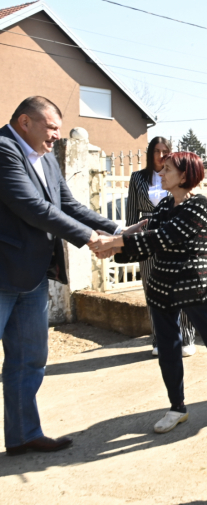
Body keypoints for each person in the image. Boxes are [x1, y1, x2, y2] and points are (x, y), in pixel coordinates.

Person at [93, 152, 207, 434]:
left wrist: (116, 240)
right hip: (160, 287)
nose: (160, 173)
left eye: (167, 169)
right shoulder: (166, 204)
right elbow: (148, 242)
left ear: (184, 176)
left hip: (192, 287)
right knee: (168, 349)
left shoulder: (200, 206)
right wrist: (114, 248)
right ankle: (176, 407)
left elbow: (163, 237)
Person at [0, 96, 121, 455]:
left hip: (33, 276)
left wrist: (116, 229)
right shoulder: (4, 150)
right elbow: (30, 206)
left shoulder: (47, 157)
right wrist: (88, 238)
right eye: (51, 126)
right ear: (25, 122)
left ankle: (24, 435)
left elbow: (67, 205)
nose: (56, 135)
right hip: (2, 273)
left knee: (29, 358)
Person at [126, 137, 197, 357]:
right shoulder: (138, 178)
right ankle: (160, 338)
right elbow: (131, 212)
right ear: (150, 153)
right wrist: (130, 240)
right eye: (156, 151)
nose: (160, 155)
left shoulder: (178, 175)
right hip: (147, 236)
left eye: (165, 151)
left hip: (172, 234)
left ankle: (186, 337)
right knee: (152, 290)